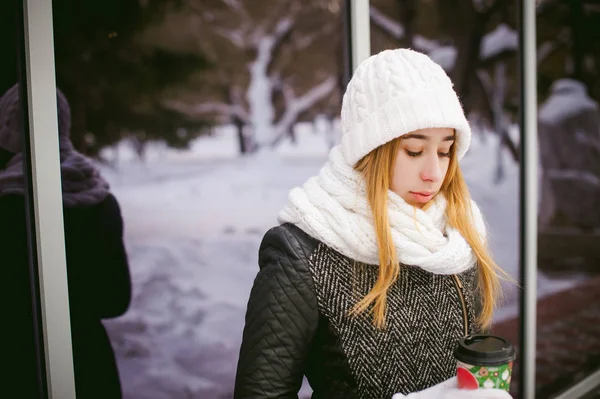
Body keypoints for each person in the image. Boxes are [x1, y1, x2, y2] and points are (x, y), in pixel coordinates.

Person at [233, 49, 513, 399]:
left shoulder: (457, 232)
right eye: (413, 150)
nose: (433, 174)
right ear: (371, 150)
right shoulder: (301, 254)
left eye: (445, 151)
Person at [0, 84, 131, 398]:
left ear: (12, 126)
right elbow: (116, 300)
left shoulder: (8, 206)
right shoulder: (101, 201)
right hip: (91, 365)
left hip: (21, 366)